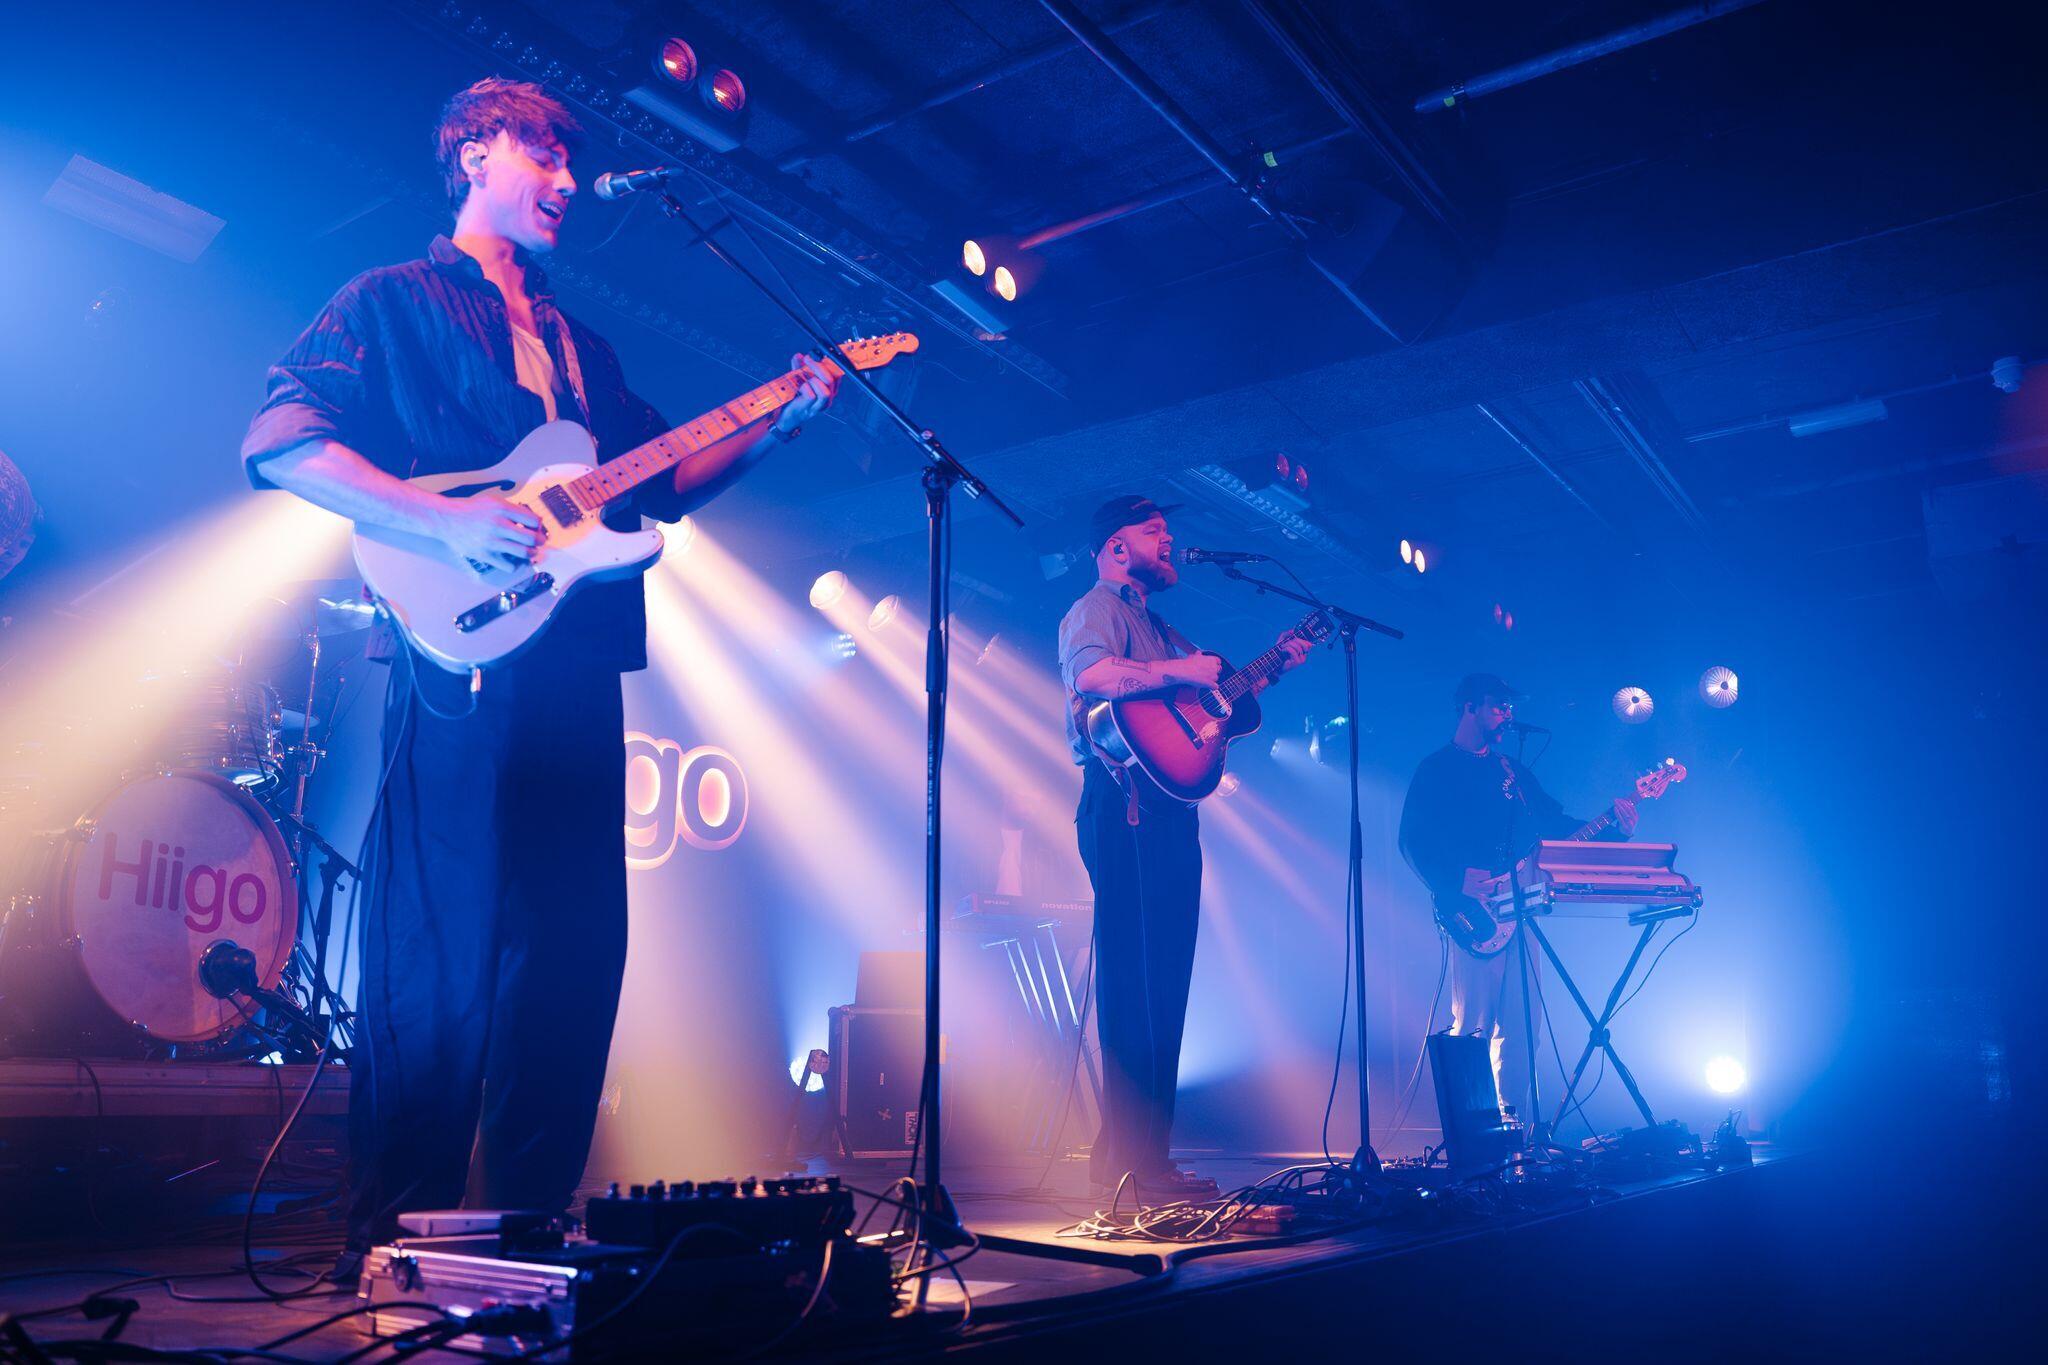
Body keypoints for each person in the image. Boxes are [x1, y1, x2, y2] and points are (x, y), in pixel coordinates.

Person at [239, 78, 837, 1272]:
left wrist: (778, 417)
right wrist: (441, 521)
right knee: (439, 948)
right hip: (454, 656)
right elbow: (280, 442)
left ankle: (529, 1218)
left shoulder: (582, 347)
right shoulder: (389, 301)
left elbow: (661, 486)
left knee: (573, 944)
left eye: (572, 162)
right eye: (544, 157)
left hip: (572, 657)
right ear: (472, 154)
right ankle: (396, 1234)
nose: (569, 182)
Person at [1057, 496, 1310, 1198]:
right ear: (1115, 547)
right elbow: (1093, 678)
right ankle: (1126, 1167)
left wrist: (1272, 666)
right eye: (1153, 530)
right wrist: (1180, 673)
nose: (1168, 538)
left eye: (1167, 529)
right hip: (1122, 806)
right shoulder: (1095, 609)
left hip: (1168, 812)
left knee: (1167, 983)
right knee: (1132, 985)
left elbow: (1207, 705)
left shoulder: (1161, 627)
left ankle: (1151, 1162)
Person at [1397, 674, 1637, 1120]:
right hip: (1475, 913)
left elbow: (1557, 825)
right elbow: (1412, 839)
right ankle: (1473, 1132)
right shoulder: (1436, 769)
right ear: (1469, 707)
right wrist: (1455, 880)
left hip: (1522, 912)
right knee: (1473, 1025)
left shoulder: (1512, 771)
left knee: (1525, 1025)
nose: (1507, 715)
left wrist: (1615, 827)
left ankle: (1516, 1126)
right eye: (1498, 706)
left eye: (1509, 707)